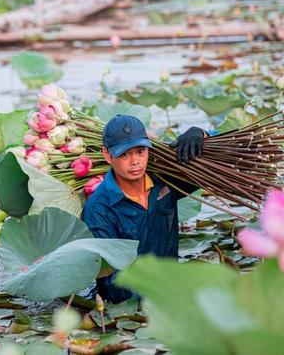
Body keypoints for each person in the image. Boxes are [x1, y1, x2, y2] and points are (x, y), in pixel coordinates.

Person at [81, 114, 215, 303]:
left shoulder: (165, 183)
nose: (135, 161)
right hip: (128, 308)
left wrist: (203, 134)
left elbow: (227, 157)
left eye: (140, 151)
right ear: (107, 155)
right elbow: (114, 284)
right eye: (124, 154)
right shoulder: (98, 209)